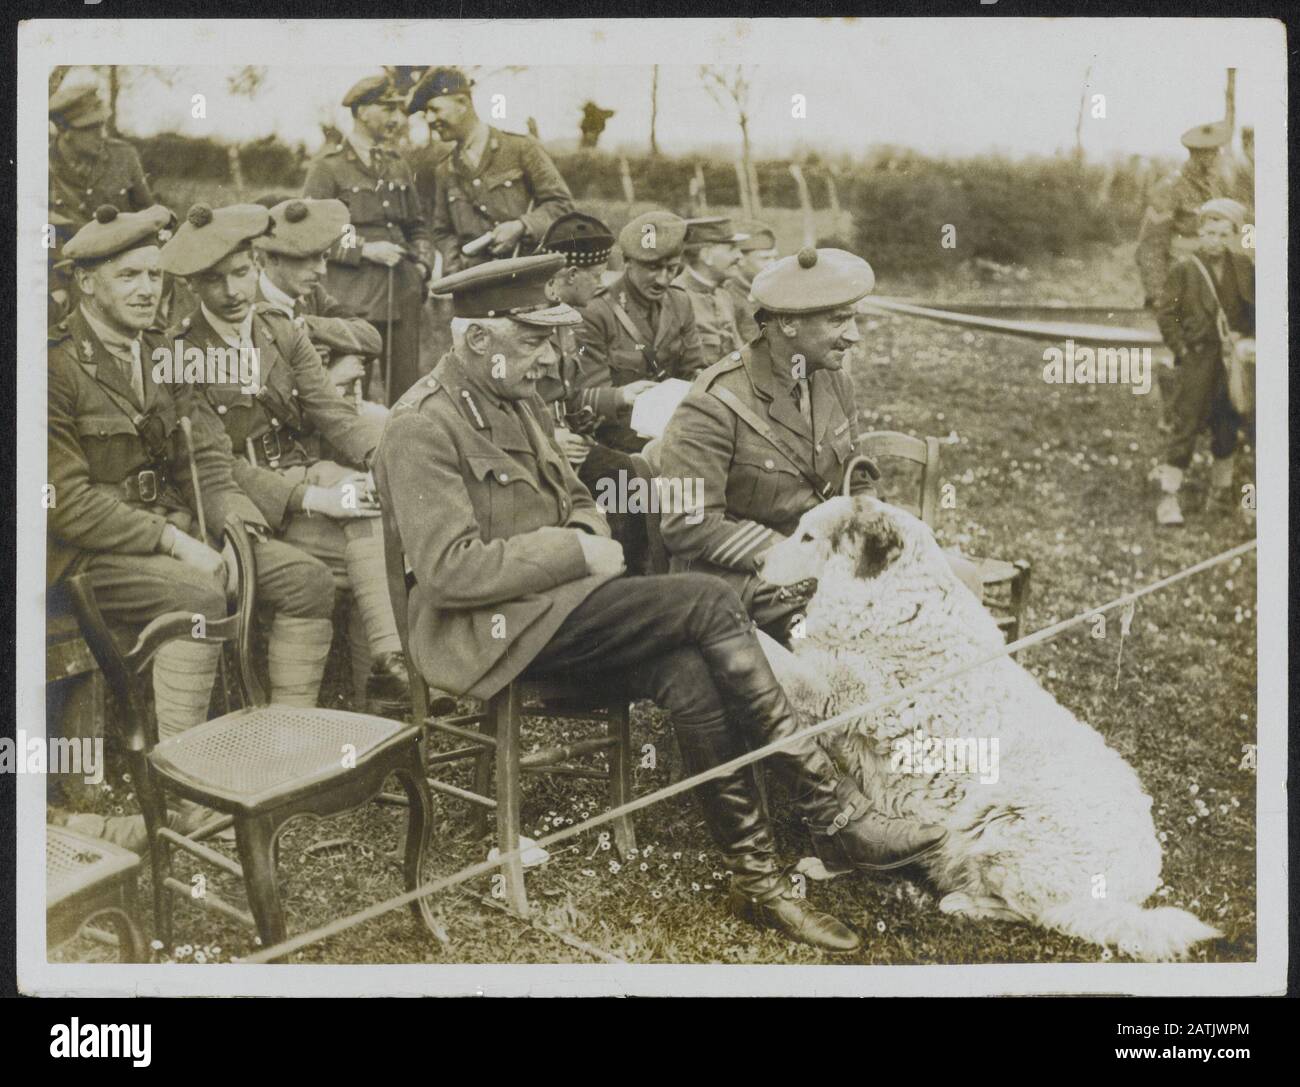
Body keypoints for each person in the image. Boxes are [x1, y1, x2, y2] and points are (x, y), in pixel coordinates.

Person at [374, 254, 947, 952]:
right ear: (478, 339)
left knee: (692, 673)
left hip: (564, 609)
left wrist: (584, 531)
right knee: (707, 601)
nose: (551, 354)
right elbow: (445, 572)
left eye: (551, 336)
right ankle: (835, 810)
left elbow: (578, 494)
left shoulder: (516, 396)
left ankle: (759, 881)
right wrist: (573, 551)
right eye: (532, 338)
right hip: (491, 632)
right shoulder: (421, 424)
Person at [47, 205, 333, 849]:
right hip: (86, 555)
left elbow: (204, 459)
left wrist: (238, 535)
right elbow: (65, 503)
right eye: (128, 276)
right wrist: (177, 542)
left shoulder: (161, 354)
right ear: (88, 283)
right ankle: (189, 786)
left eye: (154, 273)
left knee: (305, 580)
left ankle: (285, 763)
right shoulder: (55, 368)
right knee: (200, 595)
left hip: (173, 529)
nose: (148, 288)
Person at [159, 202, 418, 714]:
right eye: (215, 282)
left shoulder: (281, 330)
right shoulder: (180, 352)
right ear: (192, 287)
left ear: (256, 265)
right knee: (377, 550)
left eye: (241, 273)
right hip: (245, 506)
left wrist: (391, 462)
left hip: (303, 480)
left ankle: (382, 696)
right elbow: (216, 468)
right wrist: (315, 498)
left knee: (378, 517)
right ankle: (379, 687)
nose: (233, 293)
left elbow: (333, 416)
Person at [659, 247, 882, 638]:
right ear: (788, 324)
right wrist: (798, 555)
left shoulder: (832, 380)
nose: (854, 335)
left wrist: (871, 537)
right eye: (838, 320)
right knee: (851, 627)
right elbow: (687, 524)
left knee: (943, 588)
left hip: (821, 563)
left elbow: (855, 478)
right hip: (742, 580)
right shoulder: (714, 402)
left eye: (853, 318)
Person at [302, 75, 433, 407]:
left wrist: (421, 265)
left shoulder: (398, 164)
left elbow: (418, 226)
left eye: (397, 110)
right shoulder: (327, 168)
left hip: (402, 293)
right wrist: (363, 249)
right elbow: (309, 234)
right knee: (348, 389)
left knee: (406, 393)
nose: (395, 119)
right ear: (361, 112)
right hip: (352, 297)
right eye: (386, 109)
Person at [535, 210, 651, 573]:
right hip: (536, 451)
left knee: (634, 476)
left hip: (566, 446)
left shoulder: (566, 318)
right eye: (597, 276)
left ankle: (628, 576)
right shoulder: (530, 321)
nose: (601, 286)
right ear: (570, 275)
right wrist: (550, 438)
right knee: (624, 481)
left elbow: (570, 394)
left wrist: (615, 399)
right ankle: (616, 580)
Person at [1151, 198, 1255, 527]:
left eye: (1224, 235)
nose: (1216, 241)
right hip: (1198, 358)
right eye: (1210, 233)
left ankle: (1220, 495)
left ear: (1233, 235)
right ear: (1200, 232)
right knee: (1186, 424)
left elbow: (1254, 309)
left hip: (1232, 360)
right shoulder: (1185, 268)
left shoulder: (1242, 266)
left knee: (1228, 423)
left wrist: (1249, 340)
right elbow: (1166, 313)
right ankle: (1168, 499)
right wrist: (1181, 350)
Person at [412, 66, 575, 274]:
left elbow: (563, 205)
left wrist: (522, 226)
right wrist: (458, 269)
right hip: (475, 292)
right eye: (426, 112)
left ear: (462, 103)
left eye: (434, 109)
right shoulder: (445, 169)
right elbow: (443, 232)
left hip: (527, 283)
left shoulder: (521, 148)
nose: (429, 119)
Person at [574, 210, 707, 464]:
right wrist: (622, 394)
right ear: (627, 262)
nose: (663, 279)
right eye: (653, 268)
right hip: (616, 440)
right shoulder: (595, 311)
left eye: (671, 268)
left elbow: (694, 367)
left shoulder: (680, 302)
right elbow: (584, 395)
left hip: (675, 429)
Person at [251, 196, 387, 419]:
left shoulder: (312, 297)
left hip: (327, 421)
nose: (322, 270)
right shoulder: (247, 309)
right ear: (272, 258)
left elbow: (371, 339)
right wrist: (331, 380)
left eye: (324, 258)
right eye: (309, 259)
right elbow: (261, 411)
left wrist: (308, 326)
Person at [48, 80, 154, 323]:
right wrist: (54, 286)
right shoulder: (41, 165)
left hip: (122, 274)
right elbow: (41, 233)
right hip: (65, 277)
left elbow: (148, 214)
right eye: (90, 128)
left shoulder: (123, 156)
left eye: (101, 125)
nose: (101, 134)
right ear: (65, 131)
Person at [1136, 120, 1230, 307]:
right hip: (1179, 283)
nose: (1216, 157)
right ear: (1198, 154)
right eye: (1211, 152)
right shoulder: (1170, 188)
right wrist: (1159, 295)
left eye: (1216, 152)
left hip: (1210, 282)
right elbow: (1150, 246)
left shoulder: (1215, 187)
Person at [673, 216, 749, 361]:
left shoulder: (723, 295)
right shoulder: (674, 298)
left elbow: (739, 353)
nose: (739, 256)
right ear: (706, 255)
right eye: (732, 249)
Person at [724, 218, 779, 344]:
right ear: (740, 259)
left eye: (775, 257)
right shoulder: (728, 295)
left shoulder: (774, 290)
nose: (773, 264)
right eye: (764, 258)